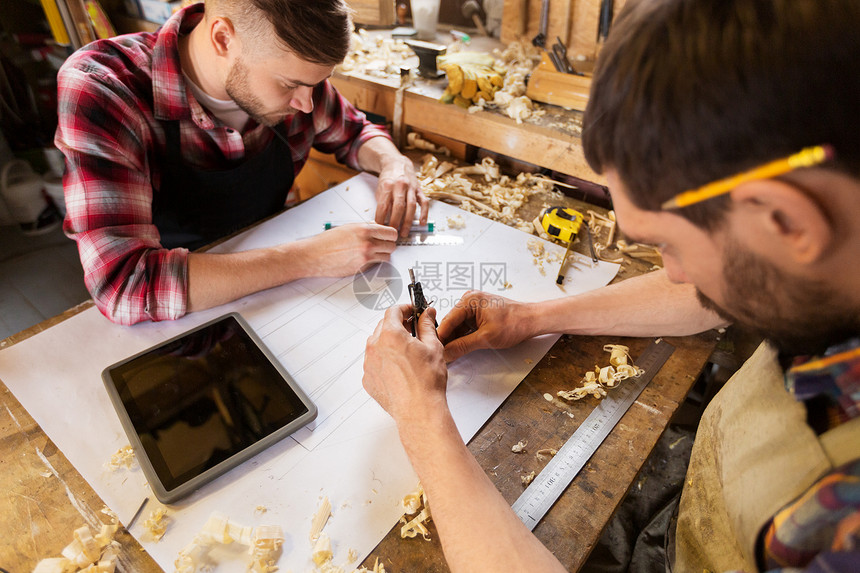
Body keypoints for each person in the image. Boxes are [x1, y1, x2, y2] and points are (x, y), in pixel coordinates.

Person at [362, 0, 860, 571]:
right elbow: (709, 292)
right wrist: (531, 318)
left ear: (788, 222)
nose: (671, 272)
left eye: (668, 245)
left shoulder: (844, 526)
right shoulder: (822, 257)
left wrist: (421, 419)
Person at [54, 0, 427, 325]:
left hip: (277, 298)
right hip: (181, 322)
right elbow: (124, 284)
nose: (307, 104)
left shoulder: (297, 76)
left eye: (318, 83)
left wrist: (395, 164)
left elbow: (354, 131)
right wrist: (310, 258)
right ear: (223, 39)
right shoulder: (103, 88)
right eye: (288, 85)